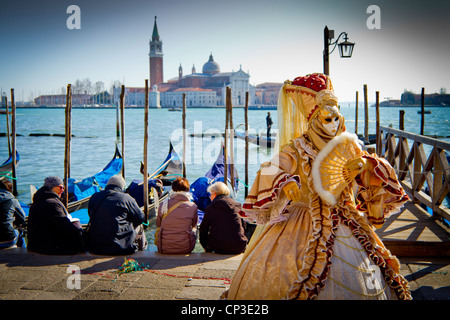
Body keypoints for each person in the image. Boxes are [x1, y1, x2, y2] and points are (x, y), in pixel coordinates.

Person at [223, 73, 411, 300]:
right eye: (326, 119)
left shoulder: (349, 146)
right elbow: (270, 167)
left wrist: (364, 164)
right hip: (302, 217)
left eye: (335, 118)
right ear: (314, 120)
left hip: (344, 217)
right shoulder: (298, 148)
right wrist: (285, 182)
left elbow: (374, 169)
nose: (333, 125)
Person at [87, 174, 147, 255]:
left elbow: (91, 215)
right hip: (121, 248)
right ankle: (142, 253)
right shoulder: (126, 198)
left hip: (96, 248)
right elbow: (140, 218)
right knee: (140, 226)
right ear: (122, 187)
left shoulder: (94, 197)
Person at [27, 176, 85, 254]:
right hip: (46, 246)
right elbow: (66, 227)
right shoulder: (52, 204)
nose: (62, 190)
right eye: (60, 187)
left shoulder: (38, 200)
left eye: (63, 188)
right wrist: (79, 231)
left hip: (36, 243)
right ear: (52, 187)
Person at [199, 182, 247, 254]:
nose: (210, 197)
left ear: (214, 194)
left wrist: (205, 246)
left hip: (218, 248)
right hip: (239, 246)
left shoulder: (211, 208)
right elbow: (243, 226)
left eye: (210, 194)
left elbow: (203, 229)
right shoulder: (237, 205)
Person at [155, 177, 198, 254]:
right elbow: (194, 225)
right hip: (186, 248)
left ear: (173, 188)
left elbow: (158, 224)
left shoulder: (164, 204)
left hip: (163, 247)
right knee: (195, 228)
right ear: (187, 189)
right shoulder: (193, 206)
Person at [0, 179, 26, 249]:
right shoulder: (12, 200)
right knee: (18, 232)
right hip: (7, 239)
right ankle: (24, 253)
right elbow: (22, 217)